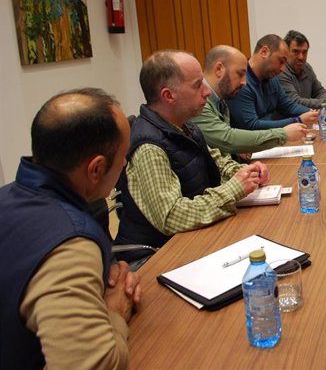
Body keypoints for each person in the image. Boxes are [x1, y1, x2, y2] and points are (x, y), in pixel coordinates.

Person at [0, 88, 141, 368]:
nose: (125, 163)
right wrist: (114, 311)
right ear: (96, 169)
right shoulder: (71, 245)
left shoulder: (7, 197)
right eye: (124, 155)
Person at [115, 50, 269, 262]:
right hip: (154, 257)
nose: (207, 92)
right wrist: (234, 189)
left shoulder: (185, 126)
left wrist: (245, 173)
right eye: (198, 85)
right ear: (168, 96)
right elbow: (173, 217)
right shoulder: (149, 147)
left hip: (192, 241)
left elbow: (219, 165)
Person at [190, 45, 308, 156]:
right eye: (240, 74)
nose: (244, 82)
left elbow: (220, 144)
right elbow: (227, 138)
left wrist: (236, 150)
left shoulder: (221, 100)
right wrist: (283, 134)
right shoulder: (197, 103)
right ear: (219, 69)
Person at [227, 34, 319, 130]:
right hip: (250, 142)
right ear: (264, 52)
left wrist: (314, 113)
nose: (283, 69)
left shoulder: (271, 78)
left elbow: (287, 106)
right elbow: (252, 125)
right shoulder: (241, 83)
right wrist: (297, 120)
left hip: (271, 138)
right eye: (281, 61)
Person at [278, 30, 326, 109]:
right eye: (296, 52)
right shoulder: (280, 70)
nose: (301, 57)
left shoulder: (306, 67)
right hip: (289, 120)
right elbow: (295, 102)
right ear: (286, 51)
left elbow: (319, 92)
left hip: (307, 118)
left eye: (304, 52)